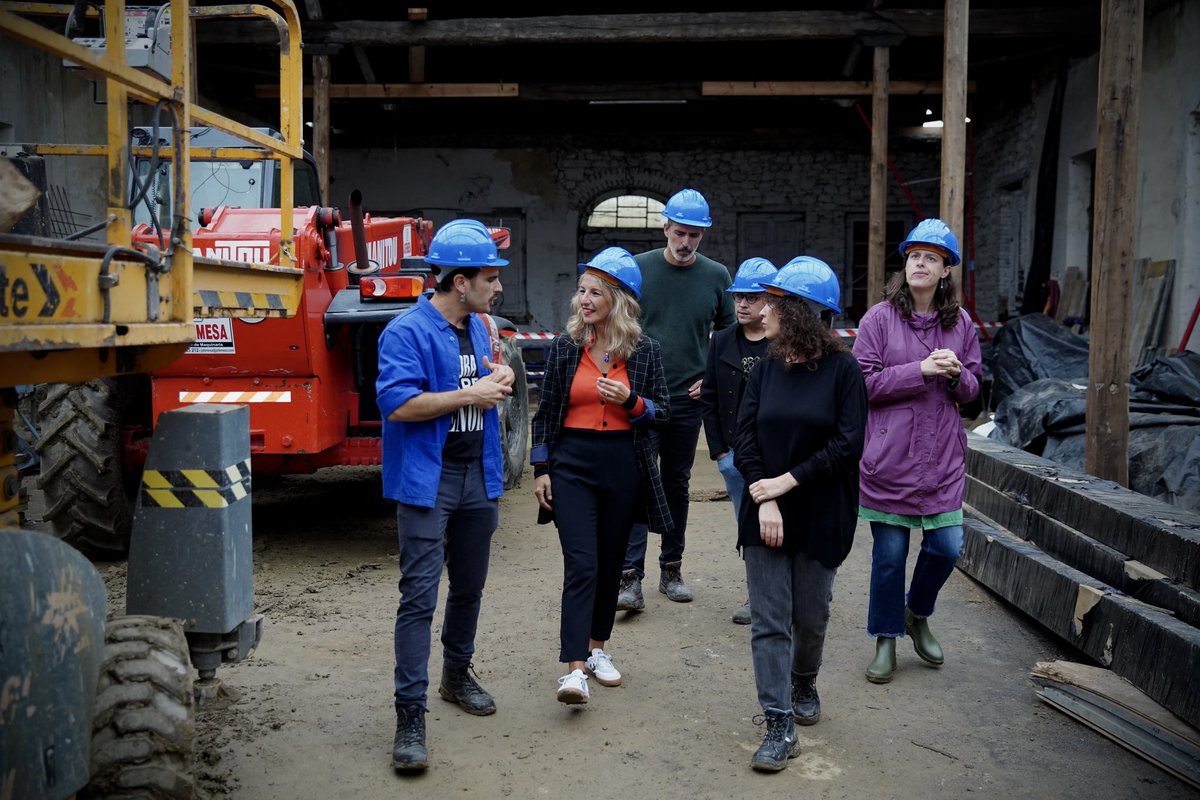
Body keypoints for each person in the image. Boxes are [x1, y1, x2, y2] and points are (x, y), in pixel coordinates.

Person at [376, 218, 515, 772]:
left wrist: (495, 385)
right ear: (459, 281)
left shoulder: (480, 328)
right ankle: (410, 714)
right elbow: (398, 405)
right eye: (489, 276)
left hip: (477, 476)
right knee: (419, 599)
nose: (497, 285)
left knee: (471, 588)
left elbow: (482, 387)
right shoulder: (405, 332)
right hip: (428, 482)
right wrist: (469, 393)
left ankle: (456, 675)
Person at [733, 256, 866, 772]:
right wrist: (765, 497)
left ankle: (803, 679)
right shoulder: (765, 367)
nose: (763, 311)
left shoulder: (844, 370)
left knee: (809, 618)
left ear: (804, 314)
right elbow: (745, 437)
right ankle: (777, 721)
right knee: (770, 622)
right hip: (764, 508)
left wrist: (789, 482)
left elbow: (849, 444)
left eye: (776, 303)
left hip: (821, 509)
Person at [530, 247, 672, 705]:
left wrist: (632, 401)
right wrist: (541, 468)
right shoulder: (566, 347)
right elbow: (546, 411)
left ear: (618, 299)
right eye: (581, 291)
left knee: (612, 563)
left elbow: (663, 412)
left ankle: (597, 650)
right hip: (572, 463)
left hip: (623, 465)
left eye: (594, 292)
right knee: (583, 564)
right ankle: (573, 669)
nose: (583, 300)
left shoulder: (645, 351)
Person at [853, 218, 982, 685]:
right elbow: (862, 386)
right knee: (889, 557)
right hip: (891, 457)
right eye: (914, 256)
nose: (920, 264)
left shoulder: (961, 322)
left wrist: (953, 376)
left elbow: (972, 391)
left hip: (941, 459)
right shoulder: (879, 319)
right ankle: (885, 638)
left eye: (931, 258)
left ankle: (916, 613)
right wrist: (920, 369)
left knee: (947, 547)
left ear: (945, 269)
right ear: (904, 265)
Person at [617, 188, 735, 610]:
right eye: (680, 232)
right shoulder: (638, 270)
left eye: (695, 236)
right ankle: (630, 577)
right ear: (665, 227)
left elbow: (728, 338)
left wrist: (713, 377)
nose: (686, 243)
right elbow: (620, 326)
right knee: (635, 481)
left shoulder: (717, 276)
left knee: (676, 483)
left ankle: (672, 567)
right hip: (640, 396)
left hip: (688, 398)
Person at [700, 257, 777, 625]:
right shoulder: (723, 340)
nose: (743, 304)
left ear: (770, 300)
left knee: (778, 524)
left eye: (752, 297)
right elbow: (710, 396)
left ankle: (782, 592)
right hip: (734, 455)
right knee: (748, 526)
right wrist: (719, 451)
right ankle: (757, 594)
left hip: (776, 455)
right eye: (738, 297)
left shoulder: (782, 343)